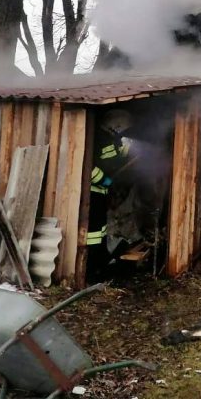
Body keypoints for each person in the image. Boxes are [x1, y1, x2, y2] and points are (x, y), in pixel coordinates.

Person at [87, 109, 133, 277]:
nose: (123, 133)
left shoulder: (108, 139)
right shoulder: (100, 139)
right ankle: (89, 267)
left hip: (100, 192)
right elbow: (91, 167)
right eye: (124, 129)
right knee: (93, 233)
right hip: (92, 193)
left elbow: (113, 163)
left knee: (99, 231)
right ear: (117, 126)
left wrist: (125, 151)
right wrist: (103, 180)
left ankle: (99, 262)